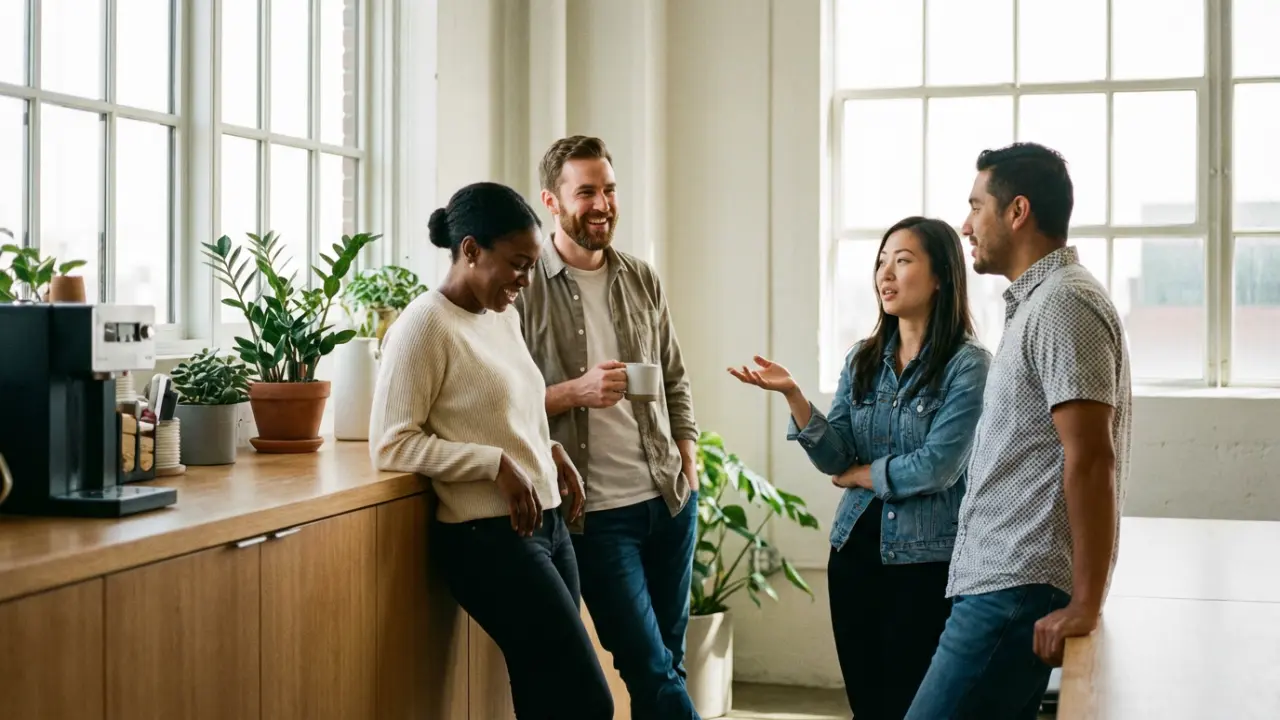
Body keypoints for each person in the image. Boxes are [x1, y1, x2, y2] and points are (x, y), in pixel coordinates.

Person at [369, 181, 613, 720]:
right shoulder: (422, 326)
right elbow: (391, 443)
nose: (525, 281)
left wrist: (547, 450)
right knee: (586, 701)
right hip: (488, 540)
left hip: (547, 526)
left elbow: (507, 409)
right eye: (517, 265)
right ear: (471, 250)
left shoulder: (502, 314)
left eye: (531, 267)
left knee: (545, 694)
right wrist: (493, 463)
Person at [905, 143, 1133, 719]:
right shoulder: (1038, 304)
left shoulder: (1063, 303)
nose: (965, 225)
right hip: (999, 582)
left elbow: (1090, 458)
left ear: (1017, 211)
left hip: (1016, 585)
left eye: (976, 206)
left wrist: (1085, 603)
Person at [730, 217, 990, 720]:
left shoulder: (969, 364)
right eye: (881, 261)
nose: (885, 274)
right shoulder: (863, 358)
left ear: (941, 276)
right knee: (868, 704)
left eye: (903, 260)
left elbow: (939, 466)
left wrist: (861, 477)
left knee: (917, 705)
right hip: (854, 556)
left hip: (926, 563)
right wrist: (794, 395)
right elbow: (836, 454)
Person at [513, 135, 702, 720]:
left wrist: (689, 461)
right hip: (596, 516)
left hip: (670, 502)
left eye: (610, 190)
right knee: (648, 668)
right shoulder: (522, 288)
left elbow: (674, 377)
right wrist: (576, 392)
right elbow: (502, 404)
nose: (602, 204)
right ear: (552, 199)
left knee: (668, 663)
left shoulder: (640, 277)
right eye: (586, 191)